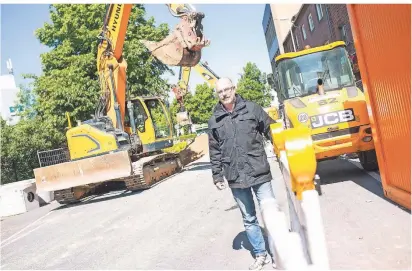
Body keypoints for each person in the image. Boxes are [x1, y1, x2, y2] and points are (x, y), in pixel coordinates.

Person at [207, 77, 277, 270]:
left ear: (234, 88)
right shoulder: (214, 120)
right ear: (217, 94)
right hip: (235, 176)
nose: (224, 93)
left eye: (227, 89)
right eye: (220, 91)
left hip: (259, 170)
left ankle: (277, 253)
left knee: (270, 213)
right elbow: (214, 150)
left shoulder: (252, 109)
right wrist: (217, 175)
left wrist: (284, 151)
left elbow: (271, 130)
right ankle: (261, 254)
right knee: (249, 218)